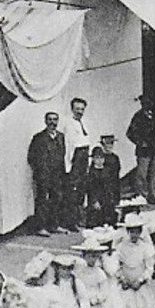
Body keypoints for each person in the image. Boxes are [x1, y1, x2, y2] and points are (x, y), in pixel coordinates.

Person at [26, 111, 68, 232]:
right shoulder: (38, 137)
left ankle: (53, 225)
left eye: (55, 120)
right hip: (43, 175)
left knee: (56, 198)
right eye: (49, 119)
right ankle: (41, 227)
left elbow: (62, 154)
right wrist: (40, 170)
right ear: (45, 121)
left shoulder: (61, 137)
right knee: (42, 199)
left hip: (57, 174)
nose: (52, 122)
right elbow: (31, 156)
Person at [63, 97, 95, 227]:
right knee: (73, 192)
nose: (80, 111)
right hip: (75, 159)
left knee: (82, 190)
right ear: (72, 109)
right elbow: (69, 145)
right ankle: (71, 221)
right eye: (77, 109)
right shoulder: (69, 124)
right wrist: (69, 165)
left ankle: (80, 219)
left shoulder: (83, 122)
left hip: (84, 159)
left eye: (82, 109)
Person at [127, 94, 155, 198]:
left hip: (153, 149)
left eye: (149, 103)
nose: (147, 105)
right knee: (142, 173)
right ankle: (141, 195)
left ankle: (153, 194)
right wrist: (140, 142)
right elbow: (130, 133)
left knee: (154, 173)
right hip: (143, 150)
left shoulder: (154, 116)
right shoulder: (138, 117)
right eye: (145, 103)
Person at [84, 136, 122, 229]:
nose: (109, 146)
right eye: (107, 143)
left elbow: (115, 179)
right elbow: (91, 189)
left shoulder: (114, 160)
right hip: (97, 199)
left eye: (111, 143)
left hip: (109, 194)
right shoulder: (92, 172)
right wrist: (94, 201)